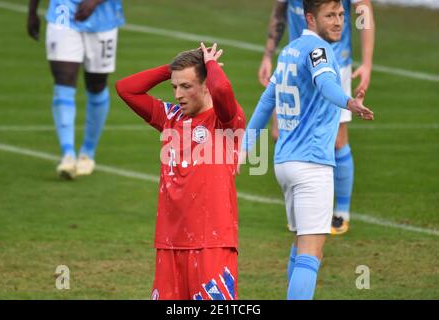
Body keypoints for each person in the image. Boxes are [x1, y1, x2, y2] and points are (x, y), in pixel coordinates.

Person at [240, 0, 373, 299]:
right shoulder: (320, 52)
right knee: (311, 255)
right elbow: (326, 83)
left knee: (302, 248)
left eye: (341, 14)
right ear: (310, 18)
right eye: (330, 16)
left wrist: (244, 148)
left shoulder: (289, 52)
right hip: (312, 165)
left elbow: (265, 103)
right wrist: (349, 102)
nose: (338, 21)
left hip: (285, 163)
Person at [116, 43, 245, 300]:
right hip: (170, 241)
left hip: (211, 242)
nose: (178, 95)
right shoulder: (171, 118)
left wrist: (209, 65)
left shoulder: (225, 121)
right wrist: (172, 70)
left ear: (206, 85)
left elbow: (222, 88)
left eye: (186, 86)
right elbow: (126, 89)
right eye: (174, 87)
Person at [258, 0, 375, 234]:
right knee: (280, 131)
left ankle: (341, 214)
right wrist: (268, 55)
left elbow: (363, 9)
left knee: (338, 139)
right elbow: (279, 12)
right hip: (295, 64)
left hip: (335, 65)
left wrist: (367, 62)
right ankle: (301, 208)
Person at [27, 0, 125, 179]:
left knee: (96, 85)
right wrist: (32, 11)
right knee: (64, 79)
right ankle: (68, 155)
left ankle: (87, 153)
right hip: (63, 12)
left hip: (103, 17)